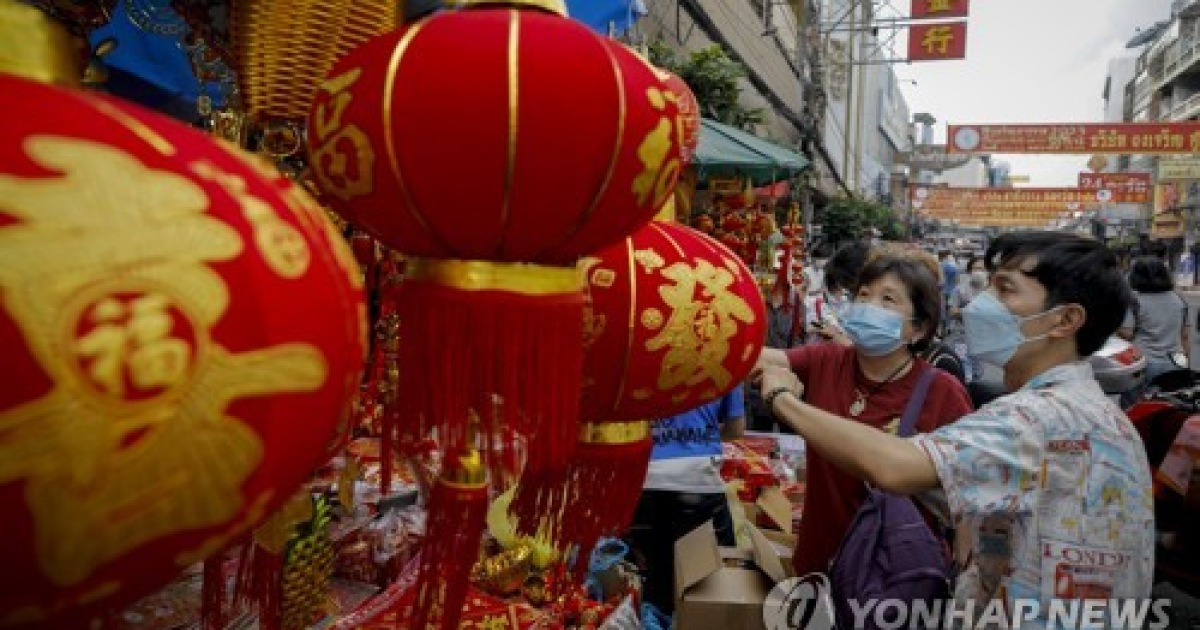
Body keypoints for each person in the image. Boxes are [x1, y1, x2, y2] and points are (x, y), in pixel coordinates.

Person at [758, 232, 1153, 622]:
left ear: (1065, 319)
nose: (980, 305)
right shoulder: (1102, 416)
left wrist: (784, 401)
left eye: (1005, 290)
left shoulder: (1037, 419)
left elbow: (895, 466)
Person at [757, 249, 973, 576]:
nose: (869, 306)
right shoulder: (826, 361)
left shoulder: (941, 392)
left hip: (892, 577)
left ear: (919, 329)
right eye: (864, 295)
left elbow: (969, 489)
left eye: (888, 300)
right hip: (817, 564)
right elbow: (757, 359)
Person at [626, 387, 745, 614]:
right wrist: (702, 434)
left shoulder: (644, 352)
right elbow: (736, 428)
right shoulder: (728, 355)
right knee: (709, 587)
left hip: (645, 482)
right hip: (699, 482)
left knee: (652, 585)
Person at [1118, 256, 1191, 407]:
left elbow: (1127, 333)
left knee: (1135, 408)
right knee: (1171, 407)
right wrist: (1185, 364)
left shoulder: (1135, 301)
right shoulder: (1179, 300)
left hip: (1144, 363)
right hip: (1174, 362)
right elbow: (1185, 337)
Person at [948, 255, 989, 382]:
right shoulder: (960, 290)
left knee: (977, 371)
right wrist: (968, 313)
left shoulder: (991, 291)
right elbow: (952, 310)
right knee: (964, 370)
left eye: (982, 269)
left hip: (981, 337)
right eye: (976, 268)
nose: (979, 272)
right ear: (969, 271)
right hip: (962, 335)